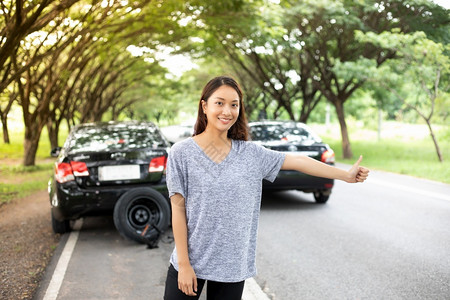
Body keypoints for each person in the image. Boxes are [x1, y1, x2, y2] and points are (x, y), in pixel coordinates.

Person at [163, 76, 369, 300]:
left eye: (234, 104)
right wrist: (184, 264)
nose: (227, 111)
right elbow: (178, 209)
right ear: (204, 106)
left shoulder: (251, 154)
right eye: (219, 103)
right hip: (189, 262)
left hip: (232, 267)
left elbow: (298, 161)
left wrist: (346, 175)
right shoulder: (181, 153)